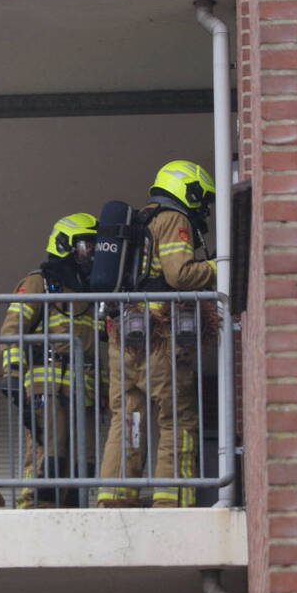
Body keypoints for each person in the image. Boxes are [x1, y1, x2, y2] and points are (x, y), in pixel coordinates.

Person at [97, 160, 217, 508]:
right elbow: (180, 274)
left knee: (128, 418)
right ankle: (172, 498)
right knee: (177, 416)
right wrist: (216, 266)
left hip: (124, 337)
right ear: (188, 190)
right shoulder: (173, 219)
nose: (203, 207)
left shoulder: (140, 221)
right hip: (159, 336)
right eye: (202, 198)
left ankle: (115, 497)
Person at [0, 213, 104, 508]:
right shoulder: (39, 283)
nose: (91, 253)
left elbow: (96, 348)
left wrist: (105, 389)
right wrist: (13, 372)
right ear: (64, 245)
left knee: (83, 459)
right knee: (48, 453)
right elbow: (11, 329)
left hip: (84, 390)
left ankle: (72, 511)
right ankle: (33, 507)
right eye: (86, 245)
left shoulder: (92, 293)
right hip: (46, 385)